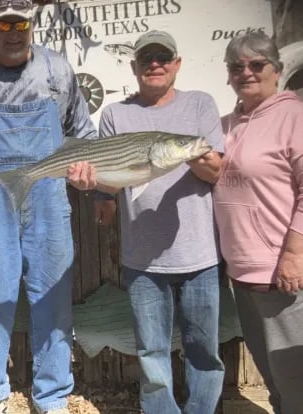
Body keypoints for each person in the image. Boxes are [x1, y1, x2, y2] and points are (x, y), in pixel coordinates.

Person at [0, 1, 98, 412]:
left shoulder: (56, 71)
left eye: (21, 23)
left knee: (52, 295)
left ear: (31, 25)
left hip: (48, 196)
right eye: (4, 23)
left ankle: (52, 395)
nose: (13, 32)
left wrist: (87, 174)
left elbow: (81, 134)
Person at [95, 30, 225, 413]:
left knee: (204, 350)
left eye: (163, 57)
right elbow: (107, 182)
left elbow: (215, 171)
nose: (155, 64)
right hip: (142, 258)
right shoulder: (115, 114)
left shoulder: (200, 104)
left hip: (199, 253)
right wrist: (95, 190)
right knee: (151, 352)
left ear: (177, 64)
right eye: (147, 58)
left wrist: (194, 155)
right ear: (134, 67)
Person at [213, 32, 303, 414]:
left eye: (257, 65)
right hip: (243, 272)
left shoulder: (294, 116)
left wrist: (294, 253)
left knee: (295, 379)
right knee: (273, 377)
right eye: (237, 67)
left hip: (281, 272)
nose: (246, 73)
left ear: (277, 71)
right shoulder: (225, 124)